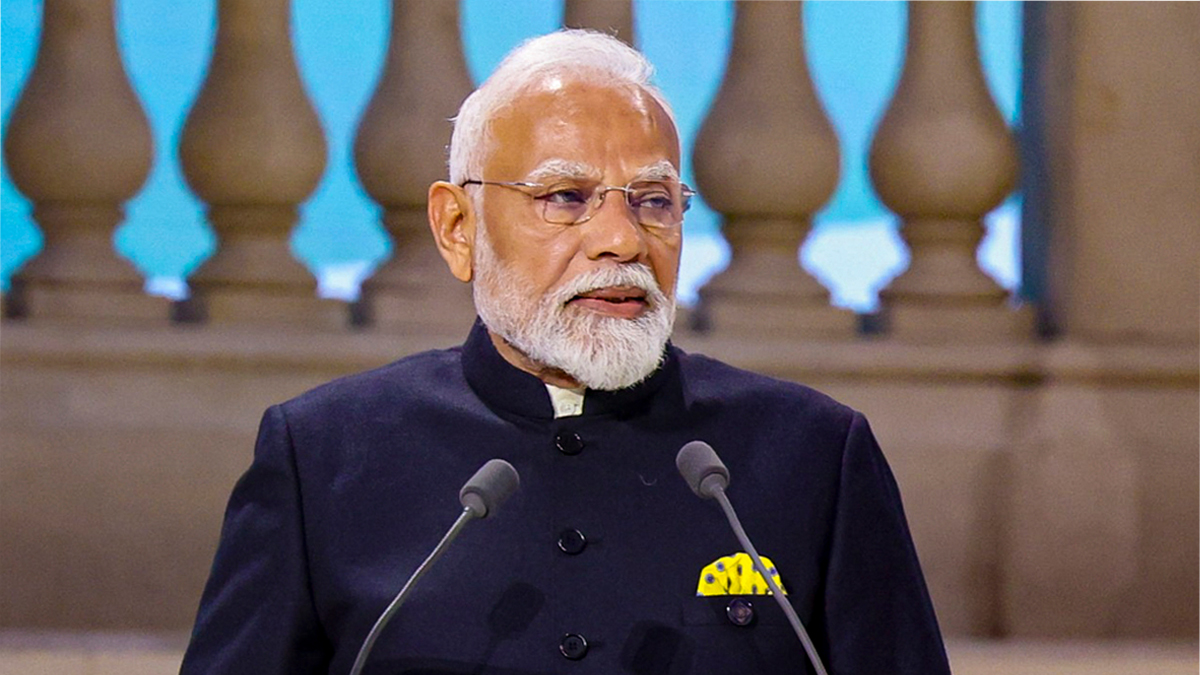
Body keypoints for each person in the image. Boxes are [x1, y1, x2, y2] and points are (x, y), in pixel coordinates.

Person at [180, 29, 950, 675]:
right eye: (566, 197)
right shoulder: (323, 456)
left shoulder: (813, 457)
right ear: (457, 228)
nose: (621, 239)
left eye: (653, 201)